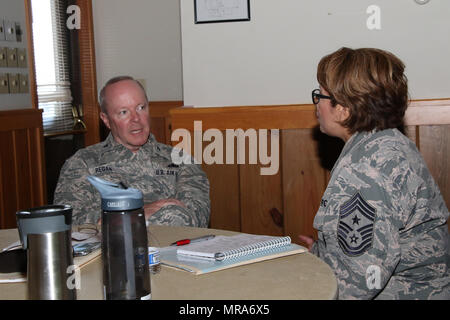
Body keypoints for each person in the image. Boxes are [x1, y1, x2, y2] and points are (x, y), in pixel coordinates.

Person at [300, 47, 449, 299]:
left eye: (321, 96)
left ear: (344, 108)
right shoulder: (387, 143)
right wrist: (322, 254)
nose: (317, 106)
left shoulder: (365, 168)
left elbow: (359, 283)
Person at [54, 76, 210, 227]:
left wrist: (113, 219)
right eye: (124, 112)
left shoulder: (180, 160)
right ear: (106, 120)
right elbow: (70, 222)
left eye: (140, 108)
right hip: (111, 251)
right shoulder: (82, 163)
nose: (136, 119)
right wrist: (138, 213)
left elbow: (195, 217)